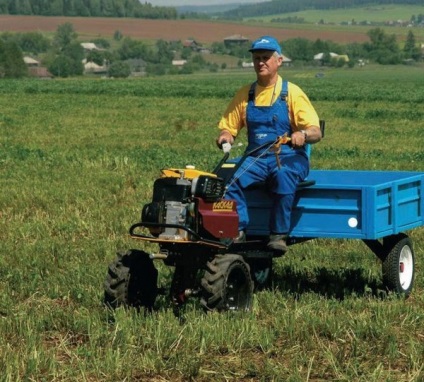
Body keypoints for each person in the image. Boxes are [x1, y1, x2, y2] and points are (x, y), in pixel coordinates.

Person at [216, 35, 322, 253]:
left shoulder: (291, 92)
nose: (261, 62)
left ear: (279, 61)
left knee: (283, 176)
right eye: (257, 58)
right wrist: (226, 136)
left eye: (266, 57)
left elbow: (316, 131)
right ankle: (237, 229)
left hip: (288, 156)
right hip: (254, 157)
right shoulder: (246, 93)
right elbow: (229, 127)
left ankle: (278, 234)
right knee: (227, 179)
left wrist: (301, 134)